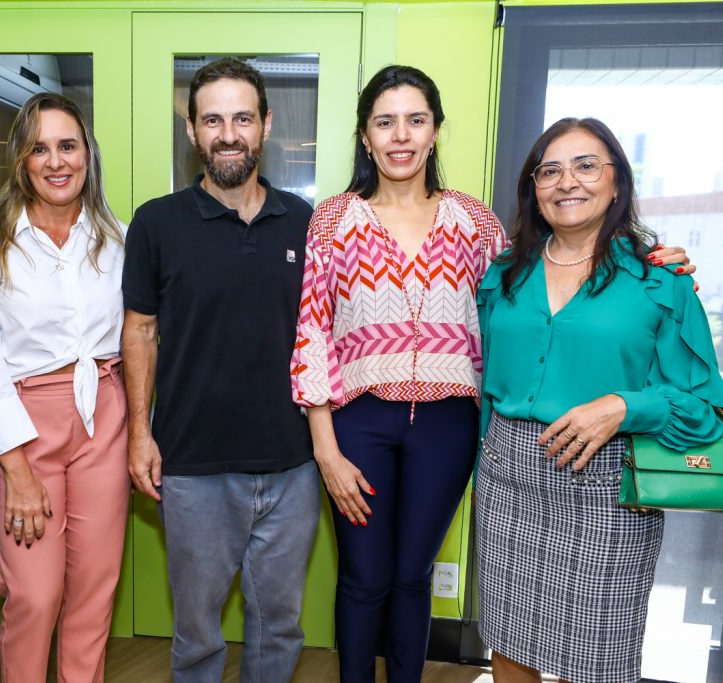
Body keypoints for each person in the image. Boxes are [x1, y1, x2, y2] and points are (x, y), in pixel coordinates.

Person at [290, 66, 697, 683]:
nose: (401, 135)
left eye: (416, 120)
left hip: (450, 424)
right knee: (364, 575)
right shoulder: (334, 220)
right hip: (359, 420)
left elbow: (550, 271)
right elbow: (312, 331)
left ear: (434, 133)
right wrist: (324, 446)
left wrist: (648, 256)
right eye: (384, 122)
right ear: (366, 137)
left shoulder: (476, 222)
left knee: (412, 574)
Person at [475, 117, 723, 683]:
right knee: (508, 644)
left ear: (618, 182)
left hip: (607, 488)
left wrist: (625, 405)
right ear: (534, 190)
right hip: (506, 479)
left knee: (595, 661)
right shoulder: (502, 277)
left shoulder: (660, 282)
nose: (567, 181)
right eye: (549, 170)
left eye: (586, 165)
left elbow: (709, 414)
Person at [122, 58, 320, 683]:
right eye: (213, 119)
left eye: (241, 118)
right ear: (192, 130)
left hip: (293, 465)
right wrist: (138, 433)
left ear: (265, 125)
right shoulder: (156, 223)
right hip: (194, 469)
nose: (228, 133)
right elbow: (140, 331)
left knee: (280, 625)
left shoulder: (306, 223)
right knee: (198, 634)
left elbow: (328, 336)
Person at [0, 93, 129, 683]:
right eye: (39, 148)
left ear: (87, 155)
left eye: (68, 146)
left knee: (94, 589)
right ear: (21, 160)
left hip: (104, 413)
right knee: (33, 593)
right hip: (24, 422)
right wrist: (18, 469)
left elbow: (142, 335)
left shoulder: (118, 236)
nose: (56, 161)